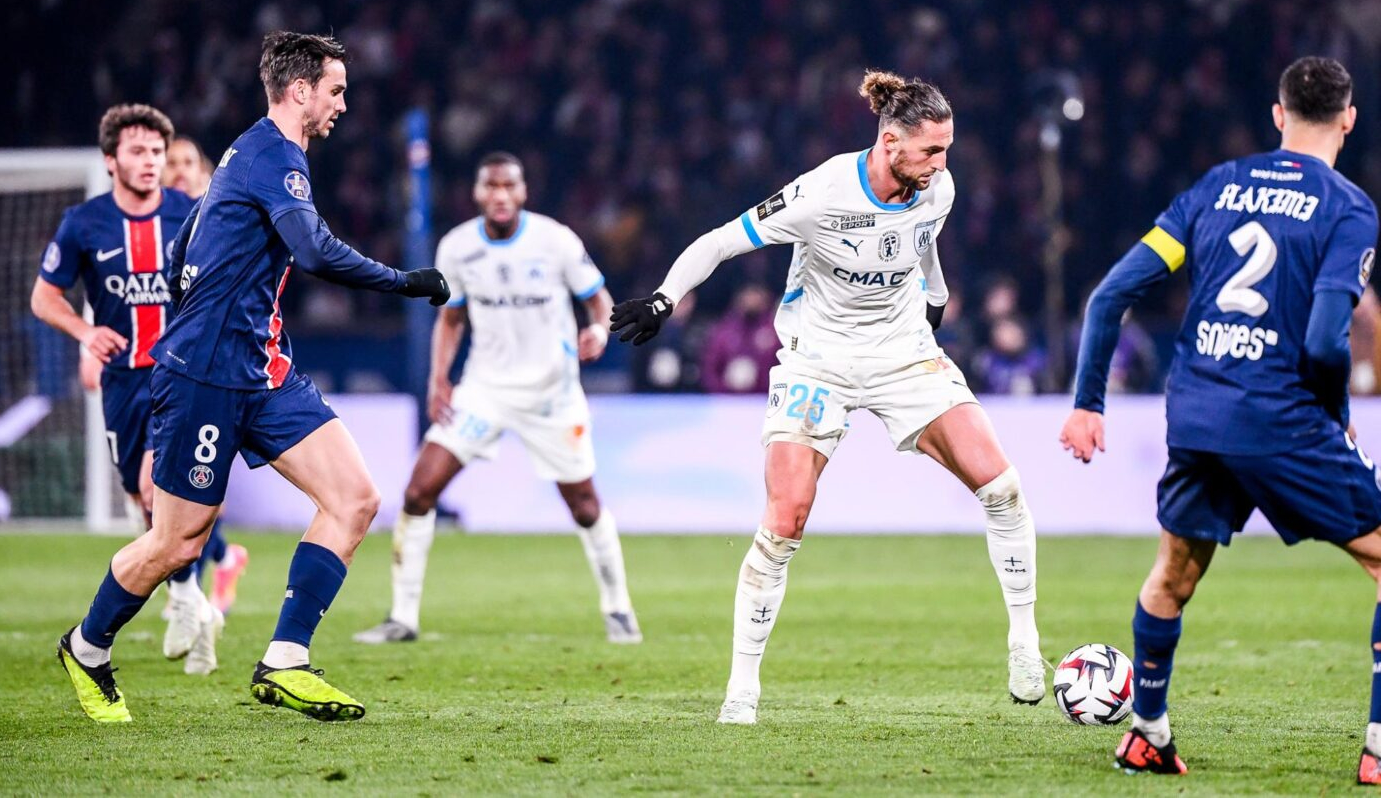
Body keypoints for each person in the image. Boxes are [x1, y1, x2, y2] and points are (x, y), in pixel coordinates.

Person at [611, 70, 1046, 724]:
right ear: (891, 142)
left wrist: (935, 298)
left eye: (947, 149)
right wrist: (665, 298)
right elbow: (721, 240)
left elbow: (925, 244)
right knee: (785, 519)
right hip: (818, 362)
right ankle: (742, 689)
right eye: (932, 150)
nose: (942, 163)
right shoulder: (821, 193)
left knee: (1003, 487)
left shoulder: (938, 186)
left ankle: (1024, 642)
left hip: (903, 354)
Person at [55, 31, 450, 723]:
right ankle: (87, 647)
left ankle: (285, 660)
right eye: (336, 91)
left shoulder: (250, 153)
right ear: (300, 90)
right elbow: (312, 250)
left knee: (355, 499)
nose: (343, 105)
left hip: (265, 371)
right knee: (176, 541)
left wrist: (207, 304)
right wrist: (403, 281)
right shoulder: (274, 156)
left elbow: (184, 245)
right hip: (205, 379)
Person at [1061, 57, 1381, 781]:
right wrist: (1336, 415)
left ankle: (1147, 733)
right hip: (1282, 418)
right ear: (1348, 119)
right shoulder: (1348, 207)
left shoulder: (1215, 188)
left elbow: (1109, 296)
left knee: (1172, 574)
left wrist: (1087, 403)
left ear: (1278, 115)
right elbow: (1325, 339)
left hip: (1199, 414)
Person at [354, 152, 641, 646]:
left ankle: (618, 608)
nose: (501, 195)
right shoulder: (457, 247)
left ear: (523, 191)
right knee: (419, 491)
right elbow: (450, 319)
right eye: (492, 186)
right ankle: (402, 617)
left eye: (509, 185)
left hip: (552, 394)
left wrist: (598, 330)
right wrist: (438, 379)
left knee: (585, 506)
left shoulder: (555, 240)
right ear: (477, 193)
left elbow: (599, 300)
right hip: (484, 390)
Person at [32, 103, 229, 676]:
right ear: (110, 159)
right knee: (144, 503)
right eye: (138, 151)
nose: (150, 161)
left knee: (154, 483)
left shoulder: (189, 212)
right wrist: (85, 333)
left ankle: (186, 598)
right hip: (123, 381)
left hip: (182, 374)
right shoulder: (83, 223)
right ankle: (194, 602)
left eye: (157, 152)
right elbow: (45, 297)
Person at [162, 134, 250, 617]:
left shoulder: (222, 219)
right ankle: (221, 558)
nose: (177, 170)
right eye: (170, 162)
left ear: (205, 173)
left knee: (184, 486)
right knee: (155, 492)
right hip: (157, 366)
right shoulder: (154, 222)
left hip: (211, 368)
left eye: (187, 162)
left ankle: (187, 596)